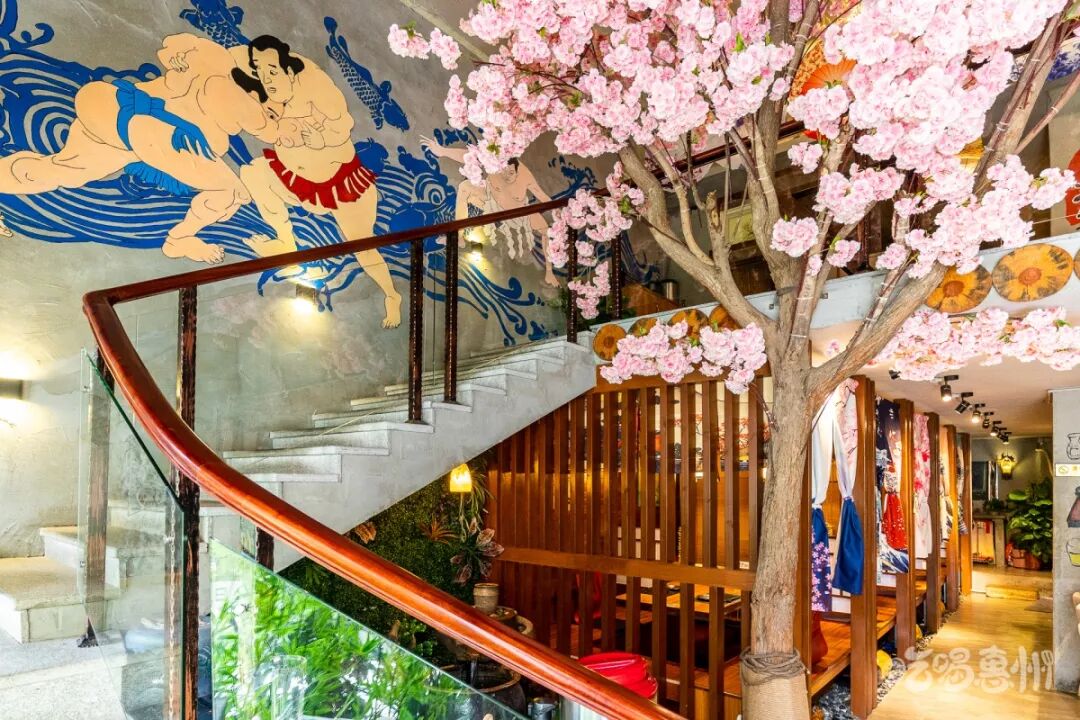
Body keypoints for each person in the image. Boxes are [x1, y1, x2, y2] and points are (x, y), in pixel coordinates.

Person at [0, 33, 278, 262]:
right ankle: (179, 239)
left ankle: (181, 239)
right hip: (143, 125)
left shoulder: (216, 68)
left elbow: (171, 50)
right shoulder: (227, 80)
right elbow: (268, 128)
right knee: (231, 190)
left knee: (62, 171)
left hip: (111, 112)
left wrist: (180, 61)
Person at [233, 35, 402, 329]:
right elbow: (231, 60)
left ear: (289, 70)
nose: (266, 79)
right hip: (301, 182)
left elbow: (344, 124)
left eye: (272, 71)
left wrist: (322, 138)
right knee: (254, 173)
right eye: (259, 70)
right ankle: (286, 243)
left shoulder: (315, 85)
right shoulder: (269, 93)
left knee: (361, 244)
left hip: (344, 185)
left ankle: (391, 295)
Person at [420, 136, 558, 286]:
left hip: (517, 211)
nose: (506, 176)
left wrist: (558, 213)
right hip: (492, 204)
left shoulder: (525, 175)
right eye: (503, 172)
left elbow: (542, 196)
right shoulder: (493, 160)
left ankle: (549, 273)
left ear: (517, 172)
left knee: (545, 229)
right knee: (465, 187)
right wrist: (442, 151)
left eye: (511, 173)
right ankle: (458, 236)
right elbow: (469, 156)